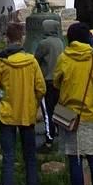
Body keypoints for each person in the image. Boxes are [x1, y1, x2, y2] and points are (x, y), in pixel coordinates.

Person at [0, 22, 47, 185]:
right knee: (30, 161)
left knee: (8, 161)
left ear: (7, 38)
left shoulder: (1, 63)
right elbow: (41, 88)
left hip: (7, 116)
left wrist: (3, 97)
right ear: (21, 38)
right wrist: (32, 102)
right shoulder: (31, 61)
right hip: (27, 117)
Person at [52, 22, 93, 185]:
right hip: (90, 112)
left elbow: (57, 81)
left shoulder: (64, 58)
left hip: (69, 115)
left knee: (74, 161)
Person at [33, 17, 66, 150]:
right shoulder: (60, 42)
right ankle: (60, 131)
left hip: (47, 80)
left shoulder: (44, 43)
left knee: (47, 110)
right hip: (59, 79)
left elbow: (36, 59)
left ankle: (49, 139)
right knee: (59, 107)